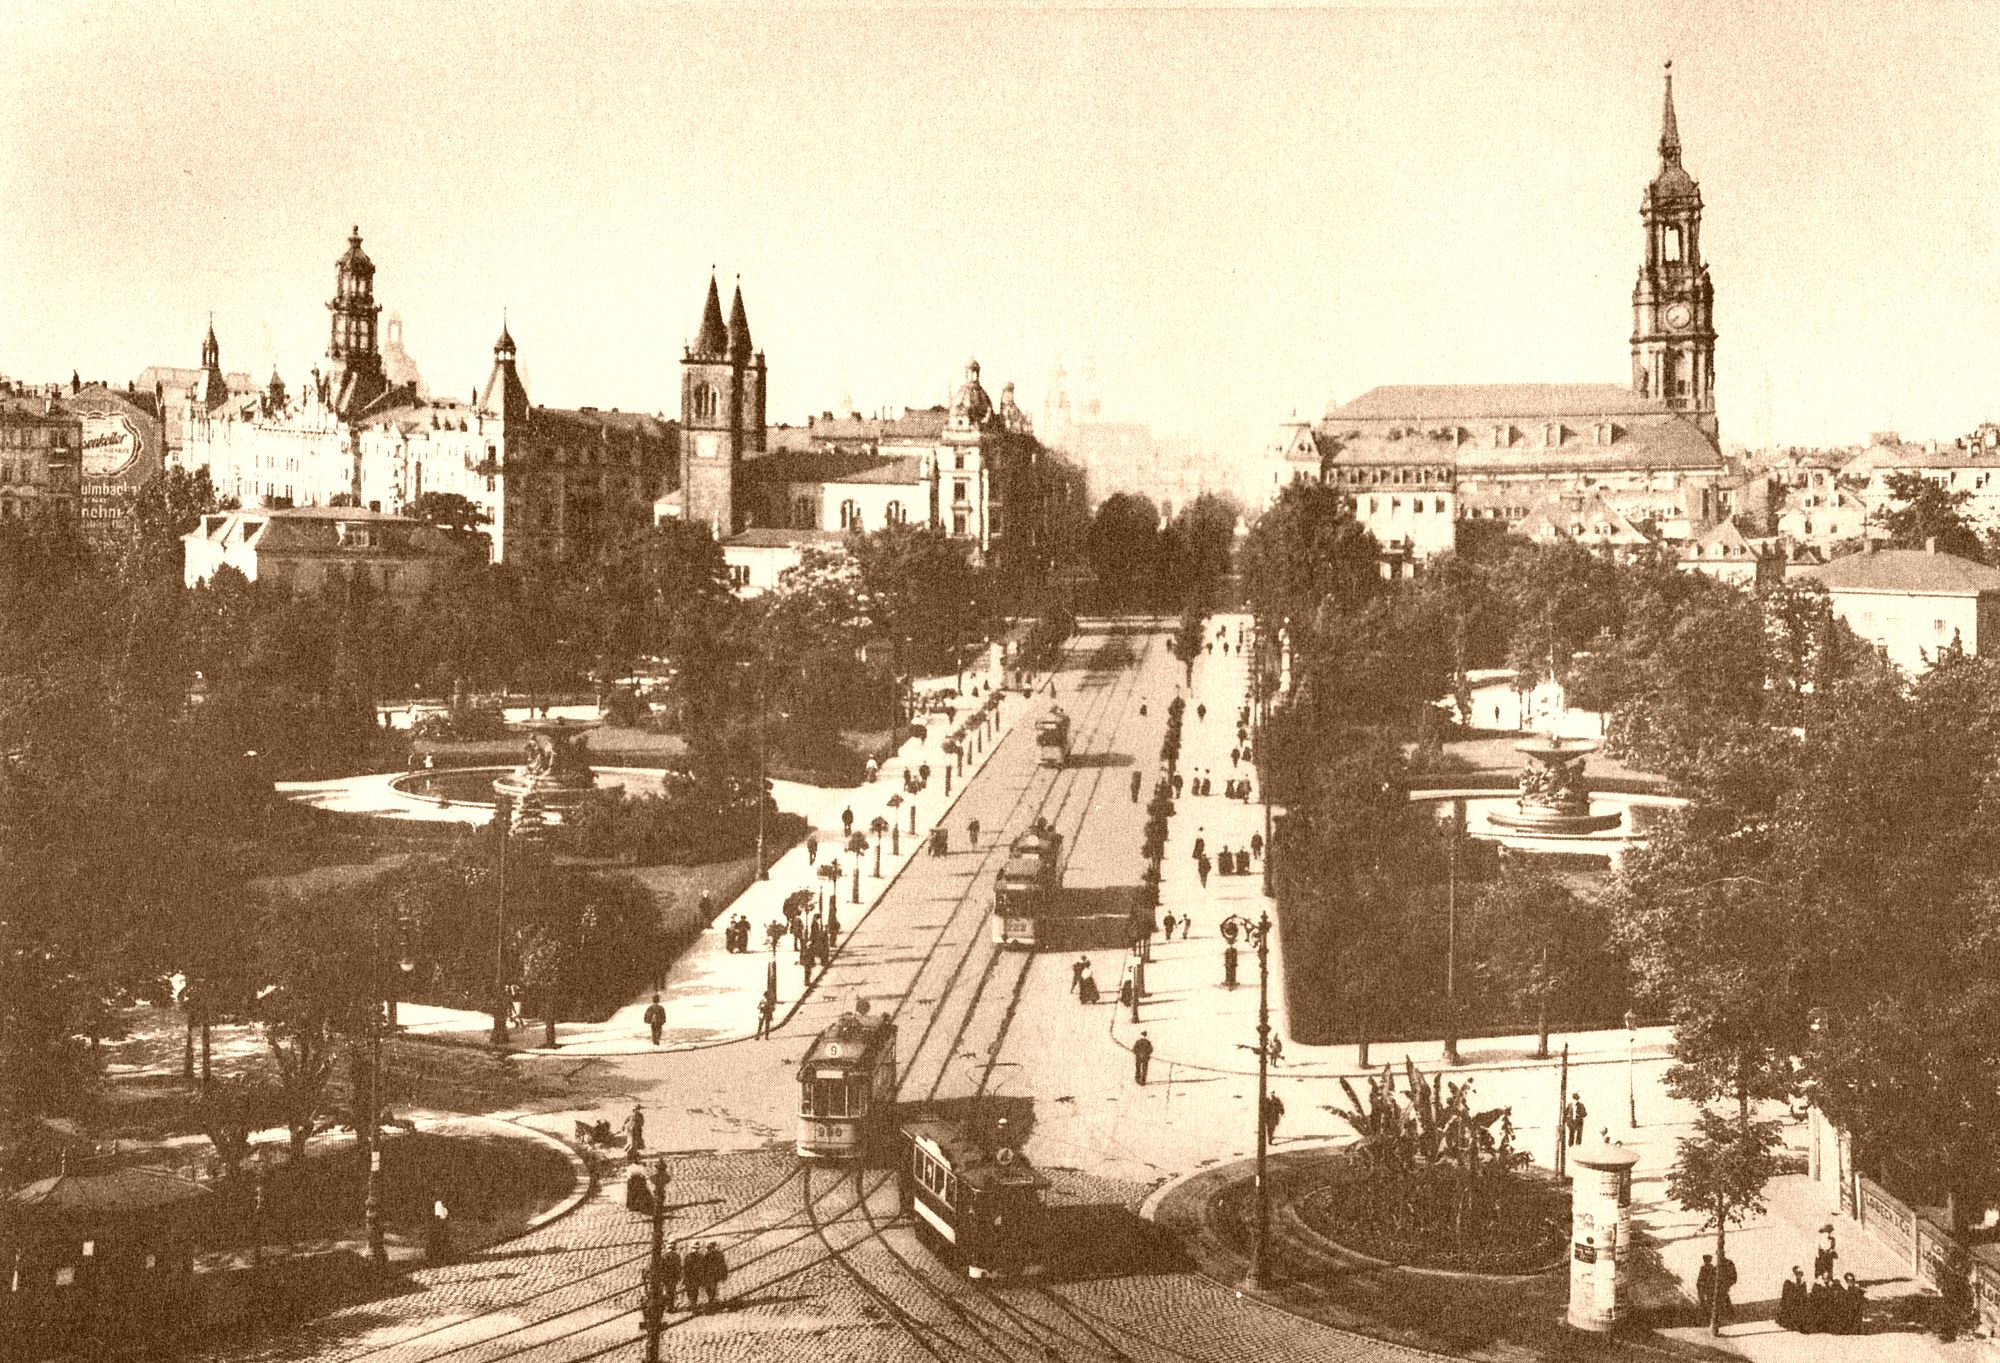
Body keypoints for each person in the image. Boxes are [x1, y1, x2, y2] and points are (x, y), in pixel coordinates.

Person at [1777, 1265, 1806, 1330]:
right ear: (1795, 1273)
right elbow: (1786, 1295)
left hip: (1799, 1301)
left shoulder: (1803, 1283)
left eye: (1800, 1274)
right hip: (1791, 1302)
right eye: (1798, 1273)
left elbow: (1804, 1294)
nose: (1799, 1275)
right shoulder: (1788, 1282)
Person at [702, 1241, 727, 1309]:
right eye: (711, 1248)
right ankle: (713, 1302)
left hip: (714, 1276)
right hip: (710, 1276)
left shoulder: (718, 1255)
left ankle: (713, 1303)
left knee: (713, 1290)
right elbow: (704, 1266)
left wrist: (723, 1274)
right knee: (710, 1290)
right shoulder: (707, 1256)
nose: (712, 1250)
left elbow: (722, 1265)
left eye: (713, 1248)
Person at [659, 1241, 683, 1312]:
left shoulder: (664, 1256)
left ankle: (668, 1307)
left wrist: (662, 1277)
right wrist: (679, 1277)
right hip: (673, 1277)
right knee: (672, 1291)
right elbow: (679, 1268)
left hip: (666, 1277)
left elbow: (661, 1267)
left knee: (667, 1291)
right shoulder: (677, 1256)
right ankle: (671, 1306)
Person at [1717, 1252, 1737, 1320]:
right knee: (1724, 1297)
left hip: (1726, 1283)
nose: (1718, 1256)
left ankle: (1729, 1315)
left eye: (1720, 1255)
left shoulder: (1728, 1262)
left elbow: (1733, 1274)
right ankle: (1728, 1314)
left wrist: (1729, 1282)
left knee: (1723, 1297)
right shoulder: (1718, 1264)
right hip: (1721, 1284)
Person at [1695, 1254, 1716, 1319]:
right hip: (1707, 1288)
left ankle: (1707, 1316)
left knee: (1707, 1302)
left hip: (1708, 1288)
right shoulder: (1709, 1268)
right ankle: (1708, 1316)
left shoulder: (1707, 1268)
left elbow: (1701, 1278)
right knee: (1708, 1302)